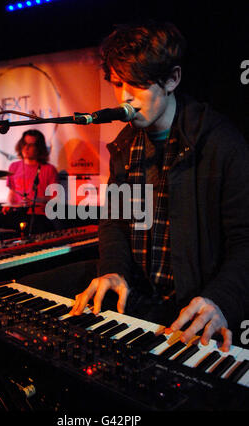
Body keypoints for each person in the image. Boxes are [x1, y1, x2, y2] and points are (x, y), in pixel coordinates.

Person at [66, 21, 249, 351]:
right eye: (118, 84)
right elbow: (115, 224)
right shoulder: (125, 147)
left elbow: (245, 238)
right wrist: (113, 271)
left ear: (172, 79)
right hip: (142, 309)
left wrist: (221, 299)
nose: (125, 98)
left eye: (137, 85)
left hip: (195, 314)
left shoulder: (222, 142)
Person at [3, 129, 59, 234]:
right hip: (17, 214)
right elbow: (12, 193)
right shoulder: (13, 166)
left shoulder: (49, 169)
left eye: (31, 145)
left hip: (39, 216)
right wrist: (9, 205)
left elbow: (55, 198)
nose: (26, 148)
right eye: (24, 144)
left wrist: (35, 200)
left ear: (39, 148)